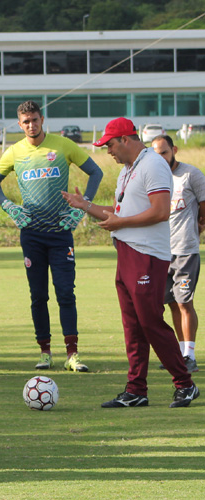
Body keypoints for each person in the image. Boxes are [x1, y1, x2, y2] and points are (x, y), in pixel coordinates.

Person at [63, 117, 199, 408]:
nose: (108, 151)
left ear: (126, 139)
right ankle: (136, 389)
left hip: (147, 255)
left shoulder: (152, 164)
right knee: (133, 325)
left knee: (150, 321)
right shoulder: (128, 170)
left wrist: (120, 222)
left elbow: (161, 212)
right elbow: (120, 211)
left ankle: (185, 384)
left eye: (110, 144)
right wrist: (85, 206)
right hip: (127, 253)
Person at [0, 100, 103, 372]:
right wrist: (9, 207)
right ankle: (45, 353)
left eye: (35, 119)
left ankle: (72, 354)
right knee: (38, 296)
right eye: (26, 121)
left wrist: (84, 205)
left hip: (61, 233)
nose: (31, 125)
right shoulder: (15, 152)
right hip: (32, 236)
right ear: (19, 124)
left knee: (65, 293)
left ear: (42, 119)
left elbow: (95, 172)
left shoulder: (62, 145)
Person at [152, 135, 205, 374]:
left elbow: (203, 210)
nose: (160, 158)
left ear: (174, 150)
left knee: (185, 302)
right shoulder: (154, 177)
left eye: (164, 152)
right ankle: (178, 354)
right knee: (172, 303)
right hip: (162, 252)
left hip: (185, 250)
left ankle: (189, 355)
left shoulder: (191, 175)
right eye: (156, 154)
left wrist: (197, 230)